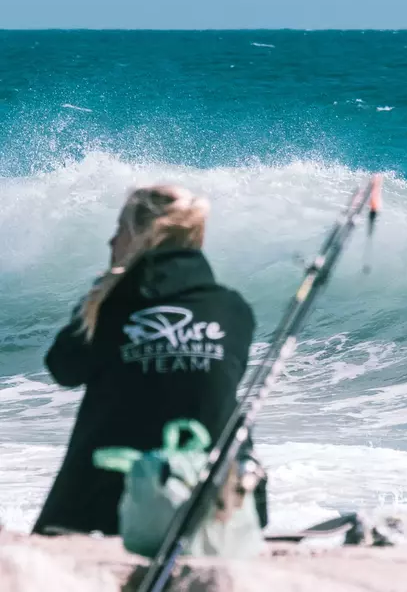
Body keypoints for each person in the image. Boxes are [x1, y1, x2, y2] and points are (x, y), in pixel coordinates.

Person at [33, 185, 266, 536]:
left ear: (139, 236)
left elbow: (63, 368)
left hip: (107, 503)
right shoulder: (232, 309)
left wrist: (101, 294)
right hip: (213, 503)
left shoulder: (111, 307)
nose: (110, 242)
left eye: (119, 231)